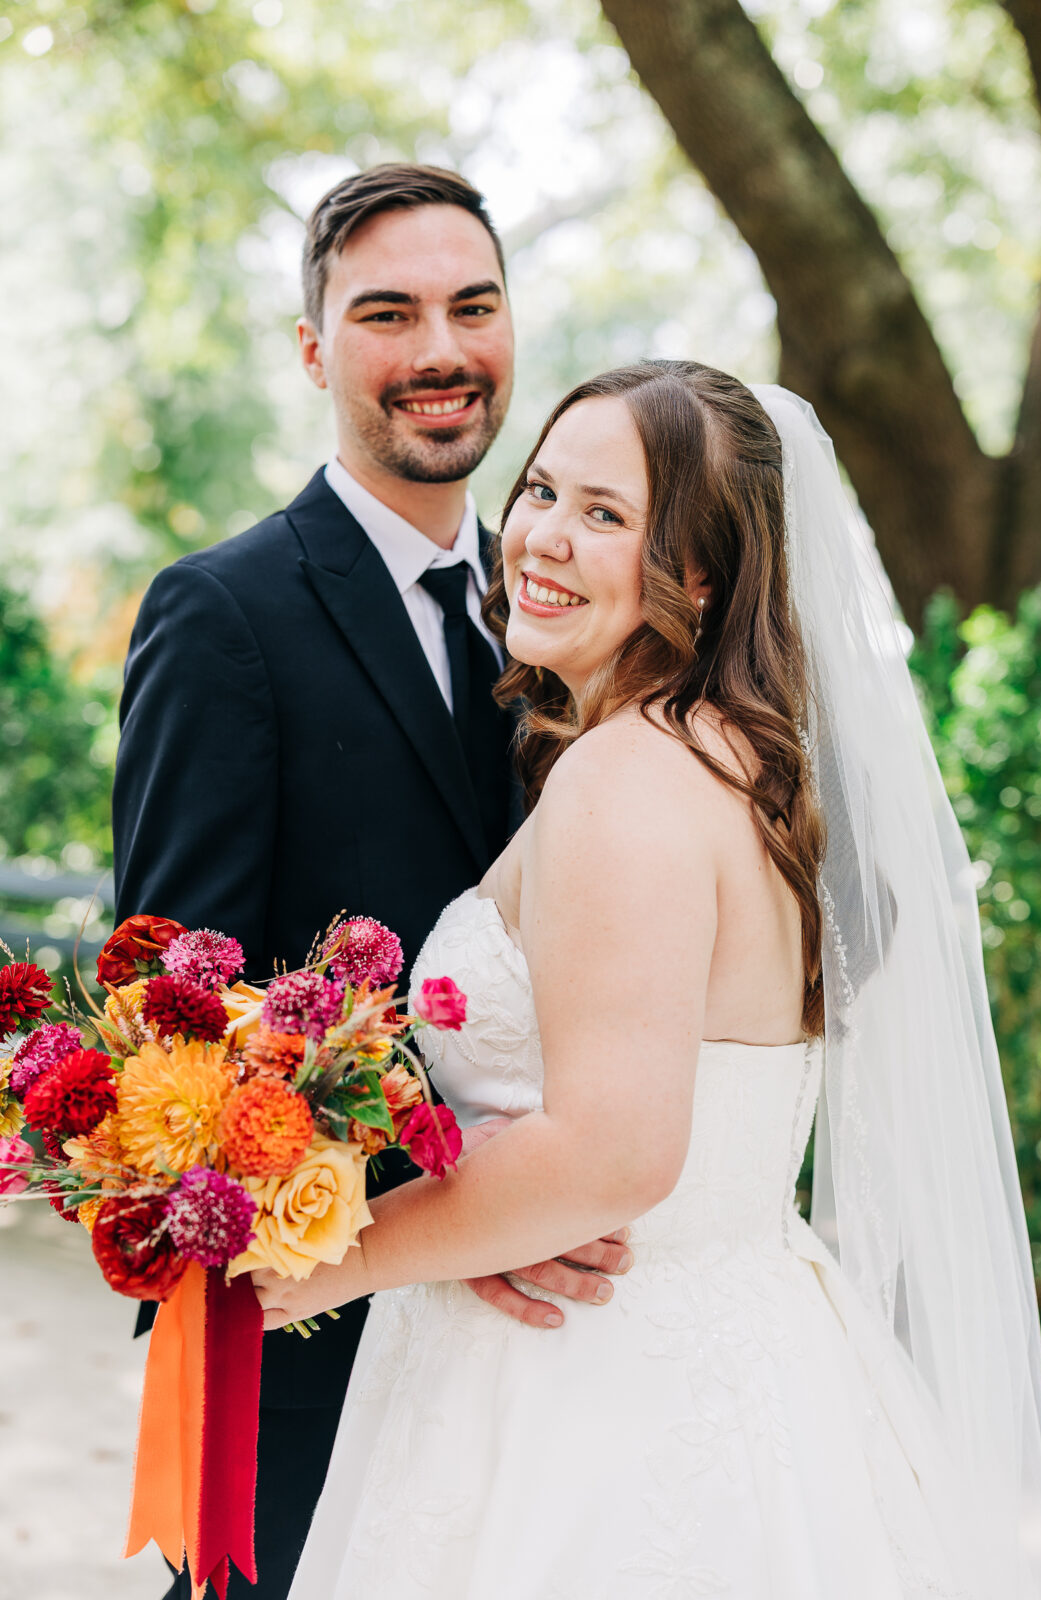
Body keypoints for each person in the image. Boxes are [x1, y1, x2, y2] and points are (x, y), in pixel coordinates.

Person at [256, 361, 1041, 1599]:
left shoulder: (625, 780)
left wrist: (328, 1257)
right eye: (539, 490)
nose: (540, 536)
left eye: (605, 515)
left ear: (695, 575)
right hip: (744, 1342)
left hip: (595, 1389)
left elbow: (612, 1153)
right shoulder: (743, 763)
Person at [110, 164, 632, 1600]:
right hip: (312, 1339)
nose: (440, 352)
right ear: (312, 350)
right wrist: (436, 1233)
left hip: (558, 1333)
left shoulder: (566, 619)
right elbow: (180, 1022)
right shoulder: (222, 617)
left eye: (472, 306)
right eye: (386, 313)